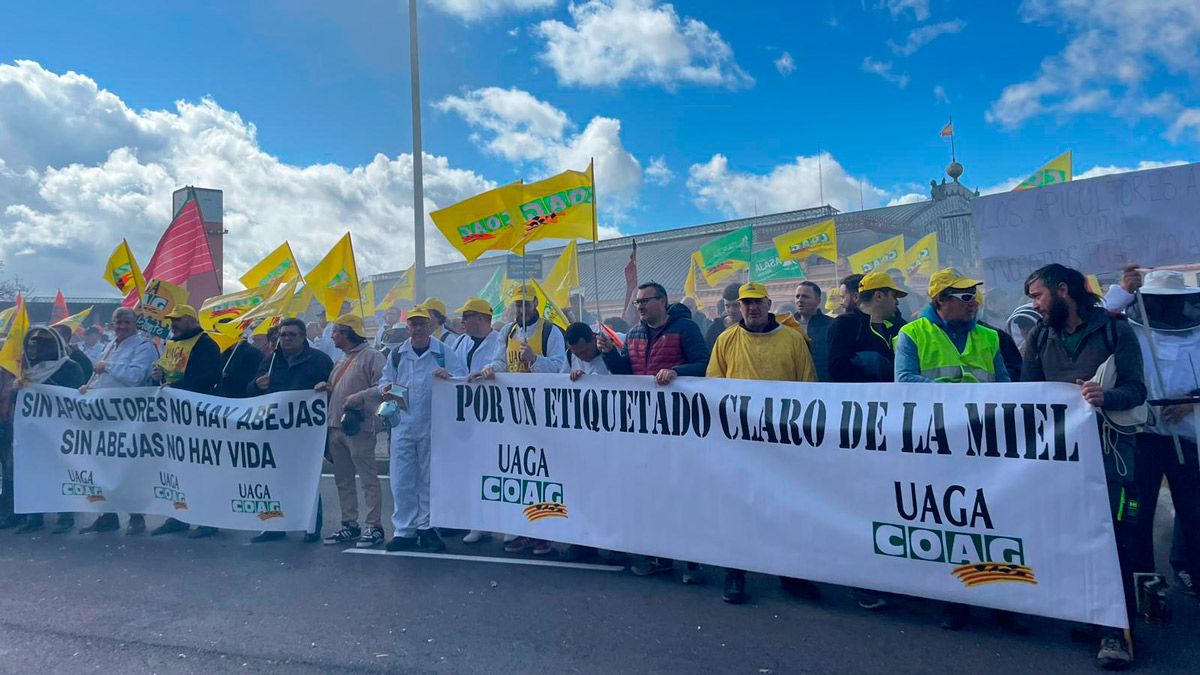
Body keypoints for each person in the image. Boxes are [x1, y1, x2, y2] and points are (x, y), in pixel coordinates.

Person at [1021, 263, 1145, 670]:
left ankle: (1117, 633)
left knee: (1113, 539)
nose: (1034, 305)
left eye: (1038, 296)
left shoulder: (1115, 330)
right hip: (1061, 456)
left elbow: (1136, 390)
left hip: (1111, 456)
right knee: (1070, 534)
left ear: (1062, 290)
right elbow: (1025, 395)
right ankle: (1090, 614)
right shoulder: (1039, 337)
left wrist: (1105, 397)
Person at [894, 269, 1018, 633]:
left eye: (974, 296)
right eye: (964, 297)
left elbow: (1005, 384)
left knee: (993, 520)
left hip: (983, 444)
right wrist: (960, 390)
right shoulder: (912, 334)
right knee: (949, 525)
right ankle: (954, 600)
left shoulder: (990, 337)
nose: (973, 302)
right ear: (940, 301)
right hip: (938, 445)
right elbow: (905, 383)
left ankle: (1003, 600)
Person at [707, 282, 818, 604]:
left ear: (769, 304)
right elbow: (713, 388)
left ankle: (791, 573)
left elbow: (808, 389)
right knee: (737, 509)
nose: (752, 308)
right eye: (746, 303)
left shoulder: (793, 340)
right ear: (738, 307)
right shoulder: (726, 340)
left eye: (757, 302)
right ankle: (735, 573)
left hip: (783, 443)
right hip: (738, 444)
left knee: (785, 508)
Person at [598, 281, 709, 581]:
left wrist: (678, 372)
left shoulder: (685, 330)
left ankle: (693, 562)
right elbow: (627, 373)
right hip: (644, 426)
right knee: (651, 492)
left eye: (645, 301)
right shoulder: (633, 333)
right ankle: (659, 556)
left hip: (679, 425)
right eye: (637, 303)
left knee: (682, 492)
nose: (640, 307)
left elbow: (704, 365)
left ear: (663, 301)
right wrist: (609, 355)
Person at [1103, 269, 1200, 598]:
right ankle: (1144, 580)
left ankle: (1191, 572)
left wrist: (1192, 400)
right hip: (1142, 437)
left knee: (1193, 512)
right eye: (1159, 301)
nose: (1167, 308)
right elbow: (1101, 319)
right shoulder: (1131, 330)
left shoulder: (1197, 334)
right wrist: (1123, 289)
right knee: (1135, 511)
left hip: (1187, 440)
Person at [474, 285, 568, 555]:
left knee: (544, 473)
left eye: (526, 305)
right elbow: (500, 361)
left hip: (542, 412)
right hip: (514, 412)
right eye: (517, 305)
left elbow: (560, 366)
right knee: (518, 472)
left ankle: (544, 533)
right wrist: (491, 369)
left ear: (536, 304)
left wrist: (535, 359)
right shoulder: (508, 332)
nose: (521, 309)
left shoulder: (550, 331)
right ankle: (522, 530)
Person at [381, 306, 467, 552]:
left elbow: (461, 379)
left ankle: (427, 527)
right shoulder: (397, 354)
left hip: (433, 425)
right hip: (403, 425)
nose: (418, 329)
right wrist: (385, 389)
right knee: (402, 479)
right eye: (413, 324)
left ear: (431, 326)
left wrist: (448, 376)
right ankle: (404, 530)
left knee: (429, 479)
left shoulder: (443, 352)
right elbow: (385, 379)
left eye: (422, 324)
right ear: (407, 327)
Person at [248, 317, 334, 544]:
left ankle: (310, 524)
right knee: (276, 480)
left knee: (307, 480)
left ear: (303, 337)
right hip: (276, 433)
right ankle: (276, 525)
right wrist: (257, 385)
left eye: (292, 335)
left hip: (306, 434)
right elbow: (250, 391)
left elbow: (332, 389)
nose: (286, 339)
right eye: (283, 334)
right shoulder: (270, 361)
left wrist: (324, 388)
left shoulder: (319, 360)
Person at [78, 307, 159, 535]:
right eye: (118, 322)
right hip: (103, 416)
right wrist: (88, 387)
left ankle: (136, 516)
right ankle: (108, 515)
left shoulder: (144, 346)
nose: (122, 327)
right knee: (103, 466)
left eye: (126, 322)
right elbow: (101, 376)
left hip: (128, 417)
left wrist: (108, 367)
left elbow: (134, 377)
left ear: (135, 324)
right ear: (112, 325)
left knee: (128, 466)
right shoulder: (110, 345)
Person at [149, 305, 224, 538]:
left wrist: (176, 388)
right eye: (172, 320)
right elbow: (165, 370)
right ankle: (178, 515)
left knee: (201, 470)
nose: (174, 324)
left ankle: (208, 519)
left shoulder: (205, 344)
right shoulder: (172, 343)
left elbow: (210, 376)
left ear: (191, 320)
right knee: (176, 467)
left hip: (197, 415)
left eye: (178, 320)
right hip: (173, 416)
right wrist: (158, 376)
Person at [3, 327, 86, 534]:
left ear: (56, 345)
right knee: (31, 474)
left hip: (59, 433)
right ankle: (34, 518)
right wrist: (17, 390)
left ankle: (64, 517)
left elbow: (73, 397)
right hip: (32, 434)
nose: (39, 348)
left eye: (45, 344)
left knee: (60, 473)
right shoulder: (29, 371)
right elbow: (18, 402)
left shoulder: (70, 367)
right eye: (36, 344)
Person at [320, 314, 387, 549]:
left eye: (336, 331)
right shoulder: (341, 359)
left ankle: (374, 525)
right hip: (336, 426)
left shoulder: (372, 357)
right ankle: (350, 523)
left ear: (347, 332)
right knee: (343, 480)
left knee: (368, 479)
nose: (332, 335)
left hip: (360, 427)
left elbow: (384, 387)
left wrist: (362, 397)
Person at [450, 298, 502, 545]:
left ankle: (496, 522)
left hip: (492, 416)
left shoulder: (499, 340)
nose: (463, 321)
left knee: (492, 470)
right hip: (466, 414)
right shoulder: (460, 342)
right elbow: (453, 369)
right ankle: (475, 522)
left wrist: (488, 372)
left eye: (467, 316)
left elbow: (503, 368)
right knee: (470, 471)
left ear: (481, 318)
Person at [793, 281, 832, 381]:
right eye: (797, 296)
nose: (800, 300)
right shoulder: (787, 326)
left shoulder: (832, 325)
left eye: (805, 297)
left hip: (822, 383)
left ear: (818, 300)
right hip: (794, 384)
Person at [215, 333, 264, 399]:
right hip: (222, 398)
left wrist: (228, 377)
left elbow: (252, 378)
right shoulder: (223, 353)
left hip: (242, 398)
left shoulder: (253, 353)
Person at [705, 283, 742, 349]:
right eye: (727, 306)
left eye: (736, 305)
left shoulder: (754, 326)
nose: (731, 310)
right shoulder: (714, 329)